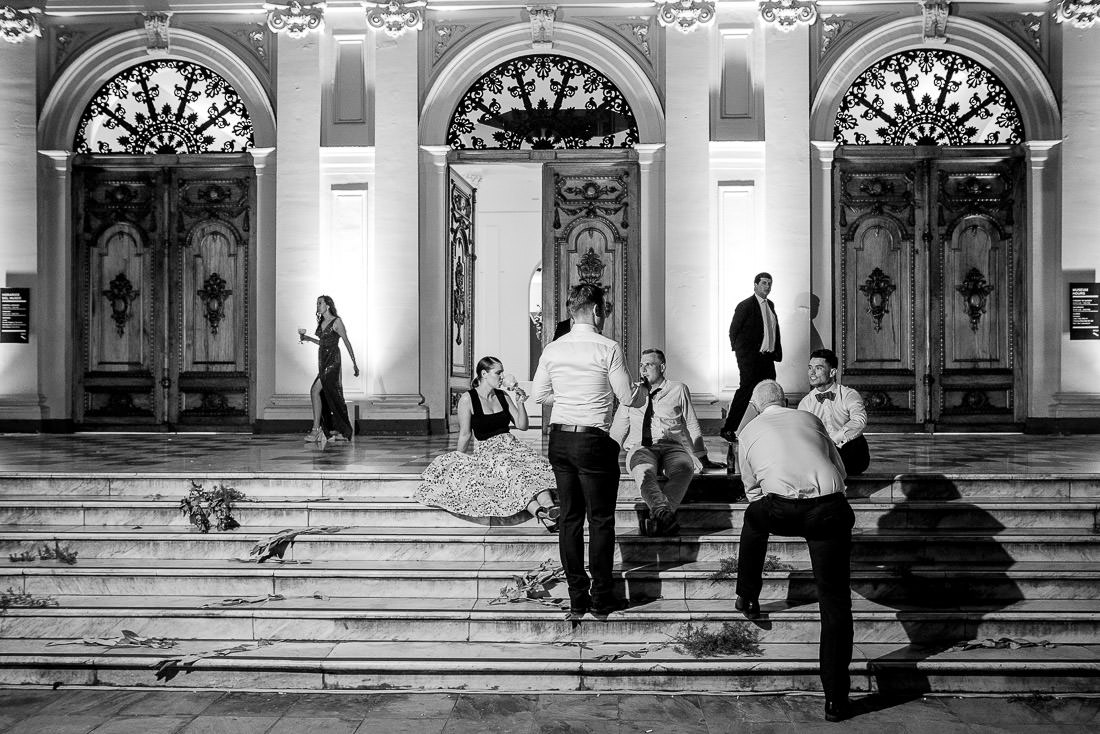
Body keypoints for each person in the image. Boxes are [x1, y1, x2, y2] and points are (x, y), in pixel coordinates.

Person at [734, 380, 854, 722]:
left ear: (757, 406)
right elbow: (841, 472)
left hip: (781, 508)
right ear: (785, 401)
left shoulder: (749, 430)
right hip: (829, 508)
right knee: (836, 605)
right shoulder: (810, 419)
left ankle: (748, 595)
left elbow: (751, 487)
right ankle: (836, 700)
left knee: (753, 519)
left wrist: (778, 495)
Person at [533, 283, 646, 617]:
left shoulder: (553, 349)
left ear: (572, 312)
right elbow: (627, 397)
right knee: (600, 520)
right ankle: (601, 597)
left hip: (561, 440)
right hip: (593, 441)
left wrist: (567, 398)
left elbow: (539, 395)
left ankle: (576, 596)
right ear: (597, 310)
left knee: (569, 519)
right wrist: (640, 394)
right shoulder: (607, 347)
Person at [415, 357, 560, 530]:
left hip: (513, 447)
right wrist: (458, 459)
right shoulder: (468, 399)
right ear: (484, 374)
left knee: (532, 468)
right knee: (513, 473)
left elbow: (522, 425)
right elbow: (465, 434)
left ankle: (550, 509)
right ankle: (539, 511)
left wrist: (521, 403)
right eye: (498, 372)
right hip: (490, 451)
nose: (502, 376)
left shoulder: (503, 396)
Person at [610, 348, 723, 536]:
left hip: (672, 447)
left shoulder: (678, 389)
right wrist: (607, 457)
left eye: (649, 364)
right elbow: (619, 427)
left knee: (685, 467)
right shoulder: (631, 393)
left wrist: (702, 456)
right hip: (641, 447)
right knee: (643, 471)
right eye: (641, 365)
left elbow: (691, 423)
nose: (643, 369)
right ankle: (663, 513)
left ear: (662, 367)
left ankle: (660, 515)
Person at [720, 272, 782, 441]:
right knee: (746, 389)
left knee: (769, 391)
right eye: (763, 283)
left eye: (769, 283)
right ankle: (729, 429)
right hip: (750, 358)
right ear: (755, 285)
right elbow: (734, 331)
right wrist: (742, 353)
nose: (767, 286)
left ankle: (767, 428)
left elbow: (773, 330)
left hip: (767, 358)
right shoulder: (745, 305)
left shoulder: (771, 305)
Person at [797, 348, 870, 476]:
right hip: (821, 453)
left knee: (854, 440)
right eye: (810, 368)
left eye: (818, 368)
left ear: (832, 372)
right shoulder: (805, 402)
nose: (811, 373)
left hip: (850, 452)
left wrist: (834, 439)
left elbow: (859, 421)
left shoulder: (849, 394)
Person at [298, 295, 358, 443]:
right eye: (317, 303)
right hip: (323, 361)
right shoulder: (322, 322)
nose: (317, 306)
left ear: (328, 305)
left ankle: (315, 429)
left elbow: (346, 341)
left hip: (333, 362)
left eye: (320, 303)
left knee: (315, 390)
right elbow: (323, 343)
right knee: (331, 395)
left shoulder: (336, 321)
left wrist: (354, 363)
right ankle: (335, 429)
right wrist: (308, 339)